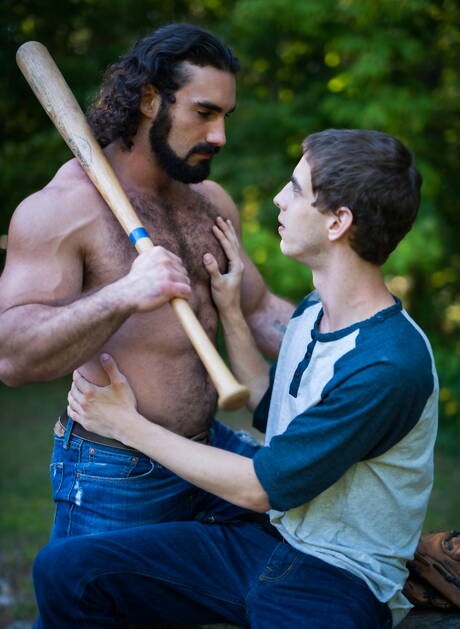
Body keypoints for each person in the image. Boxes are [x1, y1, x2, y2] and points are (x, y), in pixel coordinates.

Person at [32, 128, 438, 628]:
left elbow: (259, 488)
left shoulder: (388, 364)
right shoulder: (316, 312)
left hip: (339, 576)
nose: (279, 199)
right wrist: (232, 311)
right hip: (269, 540)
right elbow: (270, 404)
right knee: (66, 571)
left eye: (296, 189)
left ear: (338, 222)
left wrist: (125, 425)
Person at [0, 24, 294, 538]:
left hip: (207, 451)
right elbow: (12, 358)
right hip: (117, 473)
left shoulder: (210, 202)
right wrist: (124, 294)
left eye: (225, 117)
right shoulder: (64, 209)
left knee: (310, 529)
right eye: (204, 113)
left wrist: (362, 350)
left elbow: (260, 310)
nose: (219, 137)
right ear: (149, 100)